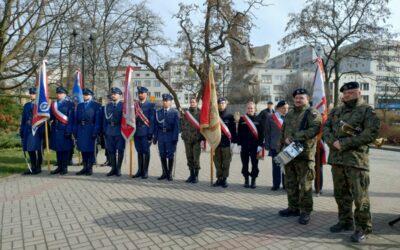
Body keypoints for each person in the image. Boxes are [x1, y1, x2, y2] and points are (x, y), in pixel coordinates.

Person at [323, 81, 380, 243]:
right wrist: (333, 142)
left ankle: (363, 227)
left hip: (356, 161)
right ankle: (345, 221)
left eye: (351, 93)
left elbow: (371, 134)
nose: (347, 96)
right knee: (341, 194)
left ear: (359, 93)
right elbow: (326, 129)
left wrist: (344, 143)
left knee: (359, 196)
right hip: (337, 160)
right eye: (345, 93)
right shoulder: (336, 111)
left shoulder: (367, 111)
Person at [279, 88, 322, 225]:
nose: (298, 100)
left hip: (304, 153)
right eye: (296, 98)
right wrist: (281, 148)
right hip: (289, 152)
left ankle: (306, 211)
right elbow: (283, 132)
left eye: (301, 98)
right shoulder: (290, 113)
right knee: (290, 183)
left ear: (307, 99)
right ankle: (293, 208)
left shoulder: (312, 113)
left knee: (305, 185)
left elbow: (314, 130)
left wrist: (293, 138)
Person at [74, 88, 101, 176]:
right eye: (84, 95)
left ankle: (90, 168)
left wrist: (95, 131)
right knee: (82, 149)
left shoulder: (96, 105)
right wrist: (75, 131)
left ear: (91, 96)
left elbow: (97, 120)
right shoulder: (80, 105)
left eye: (87, 95)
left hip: (90, 129)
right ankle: (84, 167)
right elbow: (76, 119)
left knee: (90, 149)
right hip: (81, 129)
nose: (85, 96)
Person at [237, 101, 264, 189]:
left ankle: (253, 180)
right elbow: (239, 133)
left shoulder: (259, 119)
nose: (250, 110)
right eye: (248, 108)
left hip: (255, 146)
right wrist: (239, 144)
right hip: (244, 145)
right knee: (245, 164)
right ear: (246, 109)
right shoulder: (242, 119)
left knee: (255, 164)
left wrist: (260, 145)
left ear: (255, 109)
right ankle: (246, 180)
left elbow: (261, 134)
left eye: (252, 108)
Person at [153, 93, 180, 181]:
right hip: (161, 135)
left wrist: (175, 138)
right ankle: (164, 172)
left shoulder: (175, 112)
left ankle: (170, 173)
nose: (164, 102)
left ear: (170, 102)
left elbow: (177, 127)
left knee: (170, 154)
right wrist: (155, 137)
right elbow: (156, 126)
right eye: (164, 101)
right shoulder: (158, 112)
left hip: (170, 135)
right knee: (162, 154)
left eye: (166, 101)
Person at [49, 86, 75, 175]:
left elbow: (71, 119)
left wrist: (69, 130)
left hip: (64, 128)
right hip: (55, 128)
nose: (59, 95)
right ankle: (59, 167)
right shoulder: (53, 104)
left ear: (65, 94)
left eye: (60, 93)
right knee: (58, 149)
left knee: (65, 149)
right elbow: (51, 116)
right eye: (58, 93)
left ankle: (64, 167)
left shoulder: (69, 104)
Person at [265, 100, 289, 190]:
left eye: (287, 108)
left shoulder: (290, 117)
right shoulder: (271, 117)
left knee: (286, 166)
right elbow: (267, 132)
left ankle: (286, 185)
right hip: (275, 146)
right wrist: (267, 145)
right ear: (278, 108)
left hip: (287, 146)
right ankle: (276, 184)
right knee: (276, 166)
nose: (286, 110)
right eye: (284, 108)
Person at [20, 87, 44, 175]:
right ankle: (33, 166)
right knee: (30, 149)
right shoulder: (26, 105)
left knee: (38, 149)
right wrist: (21, 130)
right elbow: (23, 119)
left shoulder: (41, 105)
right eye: (31, 93)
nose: (31, 95)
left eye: (33, 93)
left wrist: (42, 131)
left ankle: (38, 167)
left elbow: (44, 119)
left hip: (37, 130)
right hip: (28, 129)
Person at [213, 97, 237, 188]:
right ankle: (219, 178)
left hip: (226, 143)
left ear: (226, 104)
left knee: (226, 162)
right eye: (219, 104)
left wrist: (234, 143)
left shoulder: (230, 117)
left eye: (223, 103)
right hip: (216, 143)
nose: (221, 105)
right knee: (217, 162)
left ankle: (224, 179)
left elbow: (233, 131)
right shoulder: (214, 116)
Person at [132, 86, 155, 179]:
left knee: (146, 151)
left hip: (146, 131)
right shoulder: (135, 105)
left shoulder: (151, 105)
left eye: (142, 93)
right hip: (136, 132)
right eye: (139, 93)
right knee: (139, 151)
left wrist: (150, 133)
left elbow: (152, 120)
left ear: (146, 94)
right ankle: (139, 170)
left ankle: (145, 171)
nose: (140, 94)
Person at [180, 96, 203, 183]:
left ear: (196, 103)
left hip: (196, 139)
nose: (192, 103)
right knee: (189, 158)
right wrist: (184, 135)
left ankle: (196, 176)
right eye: (191, 102)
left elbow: (203, 126)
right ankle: (191, 175)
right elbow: (183, 125)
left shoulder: (200, 113)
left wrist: (201, 137)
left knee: (196, 158)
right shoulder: (186, 113)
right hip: (187, 139)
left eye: (194, 102)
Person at [103, 87, 125, 177]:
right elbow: (104, 120)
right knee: (111, 150)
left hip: (119, 130)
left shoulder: (123, 106)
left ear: (119, 95)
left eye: (115, 94)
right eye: (112, 94)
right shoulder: (108, 106)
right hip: (109, 130)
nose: (113, 95)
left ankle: (118, 169)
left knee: (120, 150)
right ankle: (113, 168)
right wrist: (104, 131)